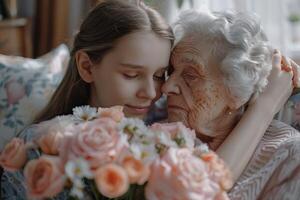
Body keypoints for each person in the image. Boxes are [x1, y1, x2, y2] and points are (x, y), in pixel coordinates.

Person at [0, 0, 298, 199]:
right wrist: (265, 105)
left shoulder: (163, 121)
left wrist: (267, 79)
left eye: (159, 74)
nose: (157, 91)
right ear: (87, 67)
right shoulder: (46, 145)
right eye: (131, 75)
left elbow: (237, 65)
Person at [162, 9, 300, 199]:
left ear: (237, 90)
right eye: (170, 71)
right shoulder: (153, 139)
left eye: (190, 75)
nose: (166, 87)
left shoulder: (289, 156)